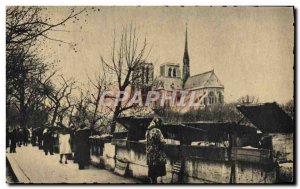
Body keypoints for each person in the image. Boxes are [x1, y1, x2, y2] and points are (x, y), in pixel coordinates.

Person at [146, 117, 166, 183]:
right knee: (159, 173)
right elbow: (162, 142)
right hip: (158, 156)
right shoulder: (157, 131)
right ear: (158, 123)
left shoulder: (148, 131)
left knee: (152, 174)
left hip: (150, 156)